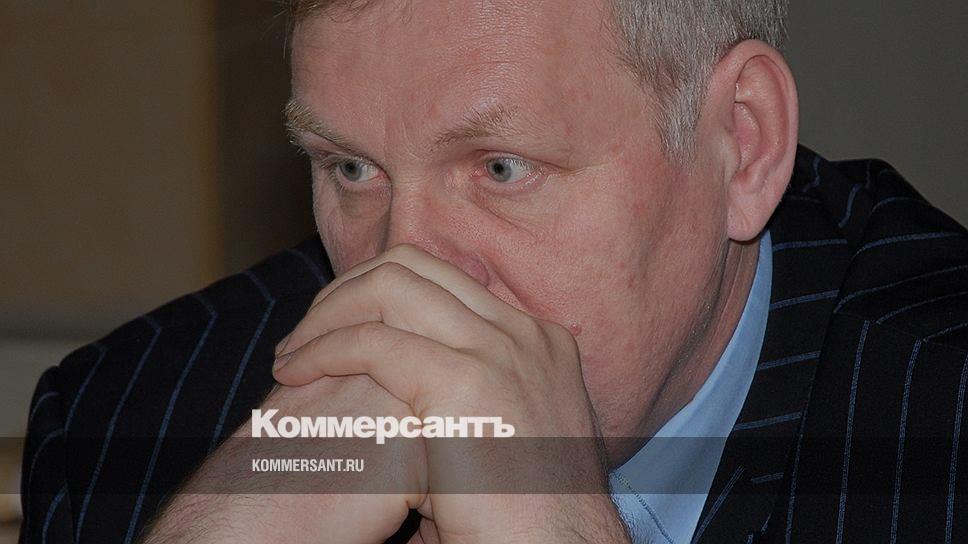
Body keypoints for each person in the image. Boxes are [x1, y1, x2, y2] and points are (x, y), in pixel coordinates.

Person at [20, 0, 968, 542]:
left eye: (502, 169)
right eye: (351, 170)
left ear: (742, 145)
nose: (405, 268)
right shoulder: (123, 420)